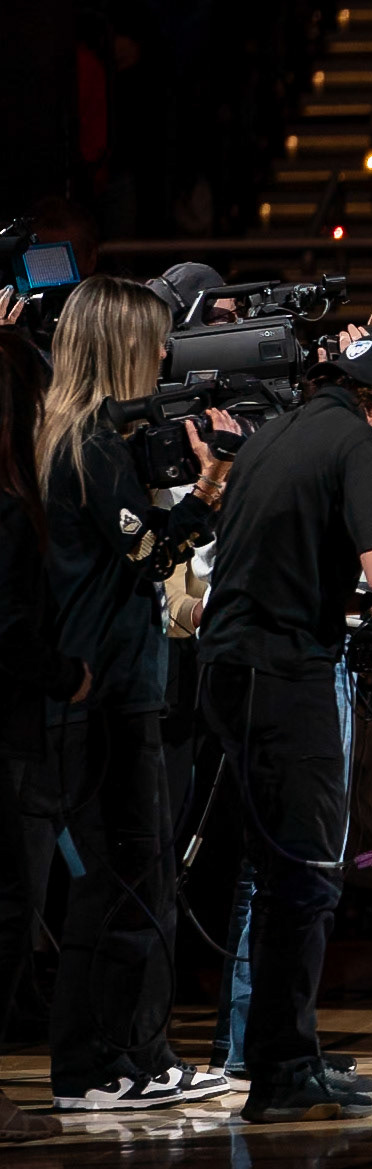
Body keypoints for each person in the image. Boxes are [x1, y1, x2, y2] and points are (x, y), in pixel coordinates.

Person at [199, 333, 372, 1122]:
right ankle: (282, 1071)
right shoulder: (357, 441)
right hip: (283, 676)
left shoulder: (283, 427)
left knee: (279, 878)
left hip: (230, 671)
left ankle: (286, 1053)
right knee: (307, 875)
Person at [36, 277, 237, 1110]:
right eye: (152, 341)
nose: (163, 355)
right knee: (128, 878)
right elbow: (151, 554)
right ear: (120, 345)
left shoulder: (74, 437)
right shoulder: (90, 445)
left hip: (112, 685)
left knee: (123, 878)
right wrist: (209, 486)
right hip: (110, 691)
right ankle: (110, 1063)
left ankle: (111, 1060)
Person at [0, 331, 78, 1141]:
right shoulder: (10, 508)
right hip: (12, 734)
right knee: (9, 908)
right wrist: (68, 675)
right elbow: (12, 630)